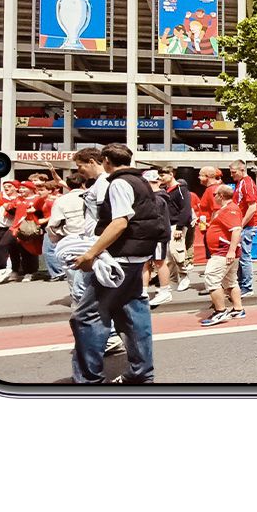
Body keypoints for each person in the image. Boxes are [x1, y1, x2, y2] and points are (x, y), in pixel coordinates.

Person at [70, 143, 168, 384]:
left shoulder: (118, 183)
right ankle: (141, 373)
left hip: (119, 259)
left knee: (86, 316)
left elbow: (120, 222)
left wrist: (91, 254)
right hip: (136, 258)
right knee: (132, 314)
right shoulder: (141, 181)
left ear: (104, 161)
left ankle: (89, 379)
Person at [198, 184, 246, 326]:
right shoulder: (225, 210)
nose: (214, 197)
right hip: (224, 250)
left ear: (221, 196)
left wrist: (231, 250)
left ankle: (220, 311)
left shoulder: (230, 210)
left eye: (215, 195)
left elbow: (236, 230)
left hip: (223, 251)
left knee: (211, 278)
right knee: (230, 281)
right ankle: (238, 308)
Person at [157, 165, 194, 293]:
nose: (160, 178)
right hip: (166, 224)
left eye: (163, 175)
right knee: (167, 254)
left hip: (176, 225)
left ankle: (183, 275)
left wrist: (180, 226)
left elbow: (185, 209)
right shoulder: (165, 190)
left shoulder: (180, 190)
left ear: (171, 174)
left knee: (176, 251)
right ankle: (173, 279)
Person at [141, 169, 174, 308]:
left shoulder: (157, 198)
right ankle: (143, 290)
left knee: (159, 261)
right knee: (147, 262)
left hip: (157, 235)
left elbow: (156, 219)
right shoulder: (158, 197)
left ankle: (165, 290)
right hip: (152, 235)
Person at [229, 160, 257, 296]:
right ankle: (243, 284)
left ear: (242, 170)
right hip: (244, 224)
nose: (231, 175)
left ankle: (247, 287)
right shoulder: (241, 183)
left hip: (248, 225)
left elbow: (252, 207)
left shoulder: (247, 184)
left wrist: (241, 224)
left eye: (233, 172)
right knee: (242, 255)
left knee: (244, 256)